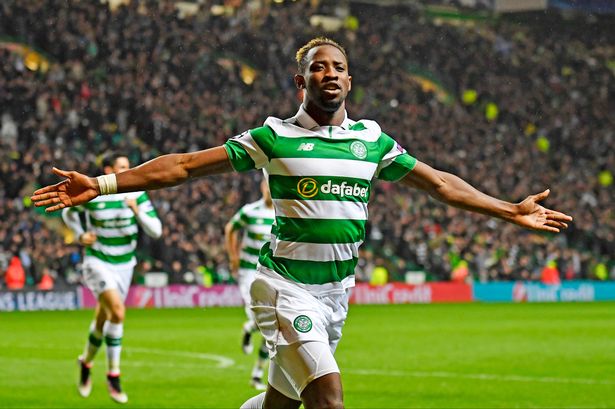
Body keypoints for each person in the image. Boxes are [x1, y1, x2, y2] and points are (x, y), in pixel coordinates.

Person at [31, 37, 572, 409]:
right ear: (300, 80)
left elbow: (440, 185)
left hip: (337, 293)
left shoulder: (372, 142)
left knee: (279, 404)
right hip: (284, 288)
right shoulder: (274, 137)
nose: (328, 73)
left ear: (350, 80)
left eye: (337, 66)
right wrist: (104, 184)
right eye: (318, 66)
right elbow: (187, 166)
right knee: (328, 396)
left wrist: (509, 209)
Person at [61, 153, 162, 404]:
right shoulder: (94, 191)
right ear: (108, 170)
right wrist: (80, 234)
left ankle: (86, 362)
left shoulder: (137, 194)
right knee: (117, 312)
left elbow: (156, 231)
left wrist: (137, 211)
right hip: (97, 261)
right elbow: (69, 212)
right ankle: (113, 375)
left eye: (129, 166)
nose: (129, 170)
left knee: (103, 317)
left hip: (125, 265)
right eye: (122, 167)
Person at [225, 176, 275, 390]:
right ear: (262, 187)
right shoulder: (250, 211)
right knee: (262, 319)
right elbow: (230, 228)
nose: (269, 190)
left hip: (271, 273)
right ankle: (250, 325)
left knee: (273, 323)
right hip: (248, 272)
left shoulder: (283, 213)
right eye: (266, 186)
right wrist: (233, 256)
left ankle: (257, 373)